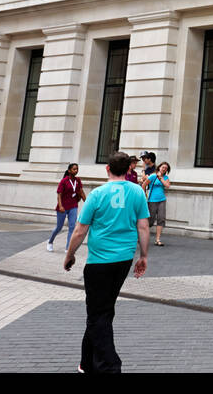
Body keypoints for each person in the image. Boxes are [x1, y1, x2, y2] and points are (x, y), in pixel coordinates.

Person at [63, 151, 150, 374]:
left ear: (107, 169)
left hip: (99, 261)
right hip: (123, 260)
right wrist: (143, 256)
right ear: (128, 169)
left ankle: (110, 366)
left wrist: (69, 254)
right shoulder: (137, 192)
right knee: (103, 311)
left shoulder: (97, 194)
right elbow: (143, 227)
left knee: (97, 313)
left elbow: (80, 230)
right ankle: (87, 362)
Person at [47, 163, 85, 252]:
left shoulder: (78, 180)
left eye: (77, 169)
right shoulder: (64, 181)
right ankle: (50, 241)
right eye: (74, 169)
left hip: (73, 206)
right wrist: (60, 206)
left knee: (72, 227)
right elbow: (59, 195)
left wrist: (87, 203)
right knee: (59, 227)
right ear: (69, 171)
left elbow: (81, 192)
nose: (76, 171)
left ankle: (68, 248)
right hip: (63, 207)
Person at [145, 162, 171, 246]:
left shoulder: (165, 177)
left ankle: (157, 239)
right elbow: (144, 184)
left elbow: (167, 185)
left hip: (162, 200)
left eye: (166, 168)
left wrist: (161, 178)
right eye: (163, 167)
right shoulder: (153, 176)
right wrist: (144, 195)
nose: (164, 169)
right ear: (159, 167)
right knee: (150, 220)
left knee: (161, 219)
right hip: (152, 200)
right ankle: (140, 235)